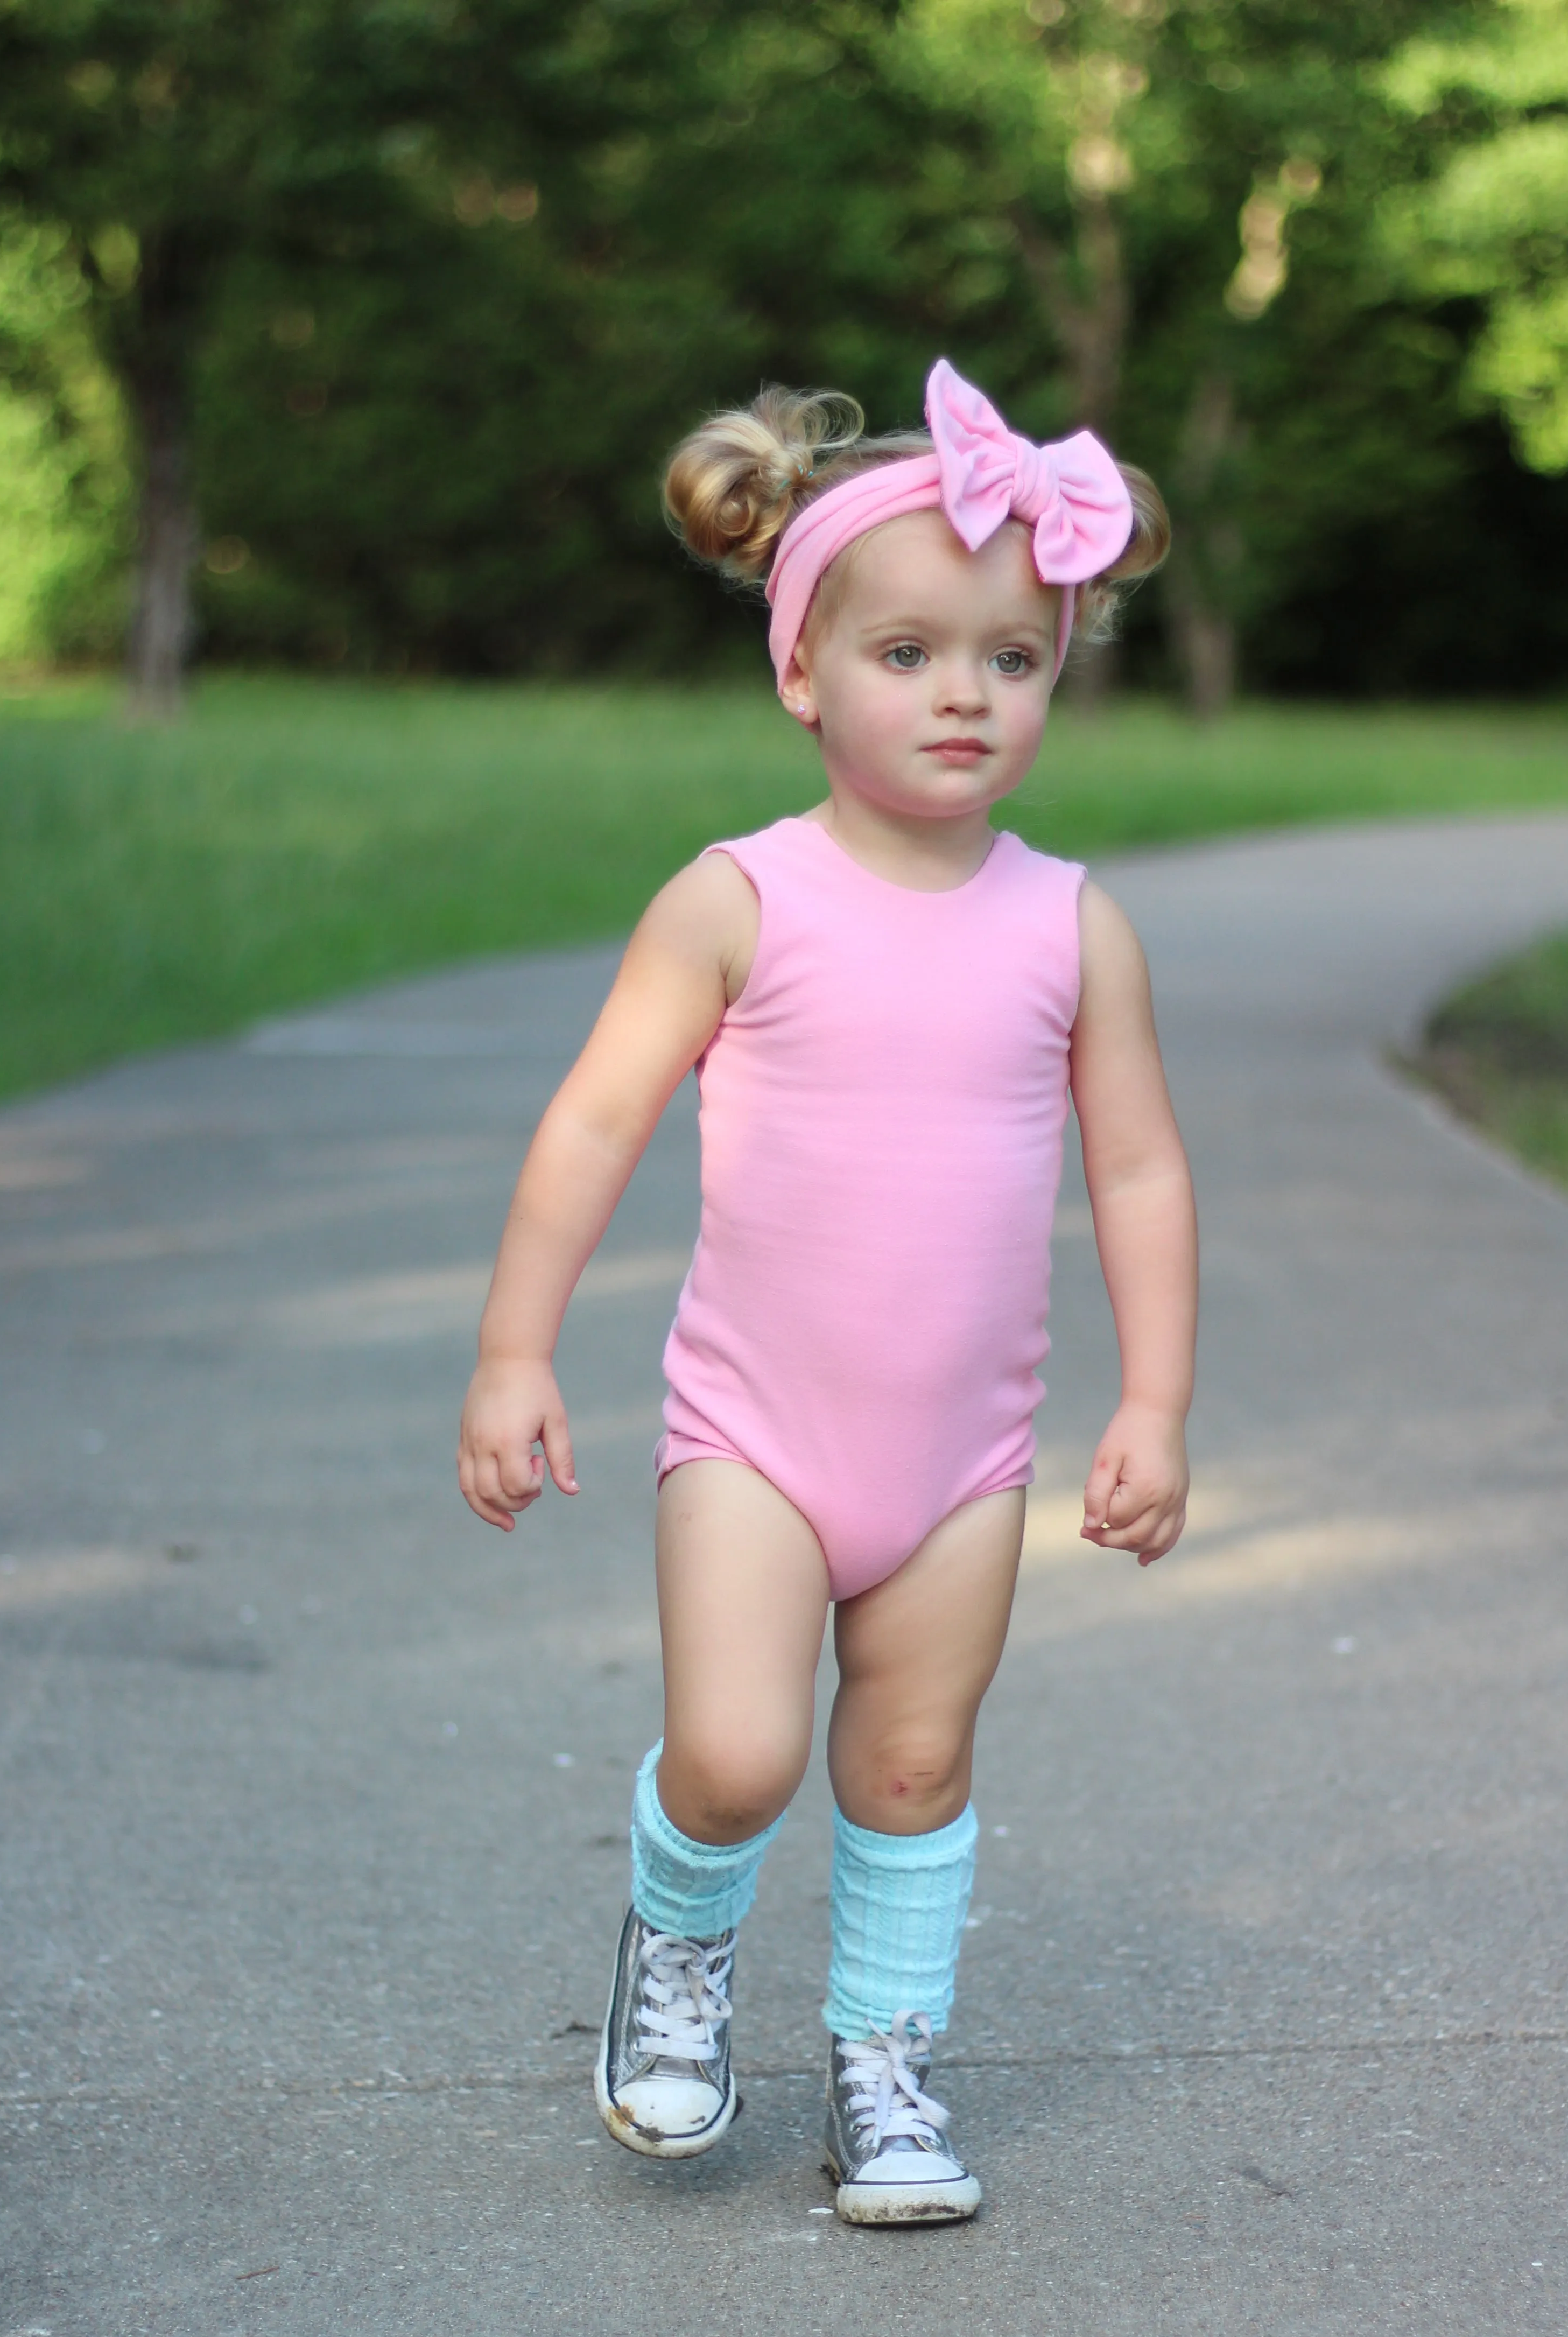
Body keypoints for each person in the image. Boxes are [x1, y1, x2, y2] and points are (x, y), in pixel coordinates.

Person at [458, 360, 1197, 2225]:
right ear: (803, 671)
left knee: (914, 1756)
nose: (965, 693)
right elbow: (595, 1120)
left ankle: (883, 2066)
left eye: (1014, 660)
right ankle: (682, 1956)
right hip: (756, 1437)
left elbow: (1138, 1169)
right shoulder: (738, 900)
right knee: (736, 1750)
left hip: (963, 1453)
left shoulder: (1069, 922)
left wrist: (1156, 1404)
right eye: (910, 654)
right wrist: (514, 1350)